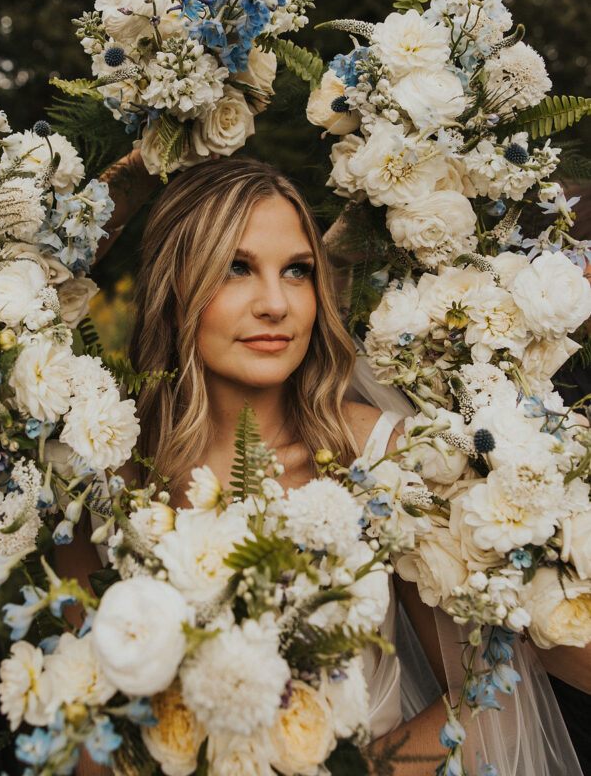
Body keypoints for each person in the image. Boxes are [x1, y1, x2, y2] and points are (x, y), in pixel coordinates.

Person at [68, 151, 589, 776]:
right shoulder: (105, 485)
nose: (275, 303)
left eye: (296, 271)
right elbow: (87, 734)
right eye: (236, 268)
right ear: (173, 287)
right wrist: (138, 162)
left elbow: (488, 694)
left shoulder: (384, 458)